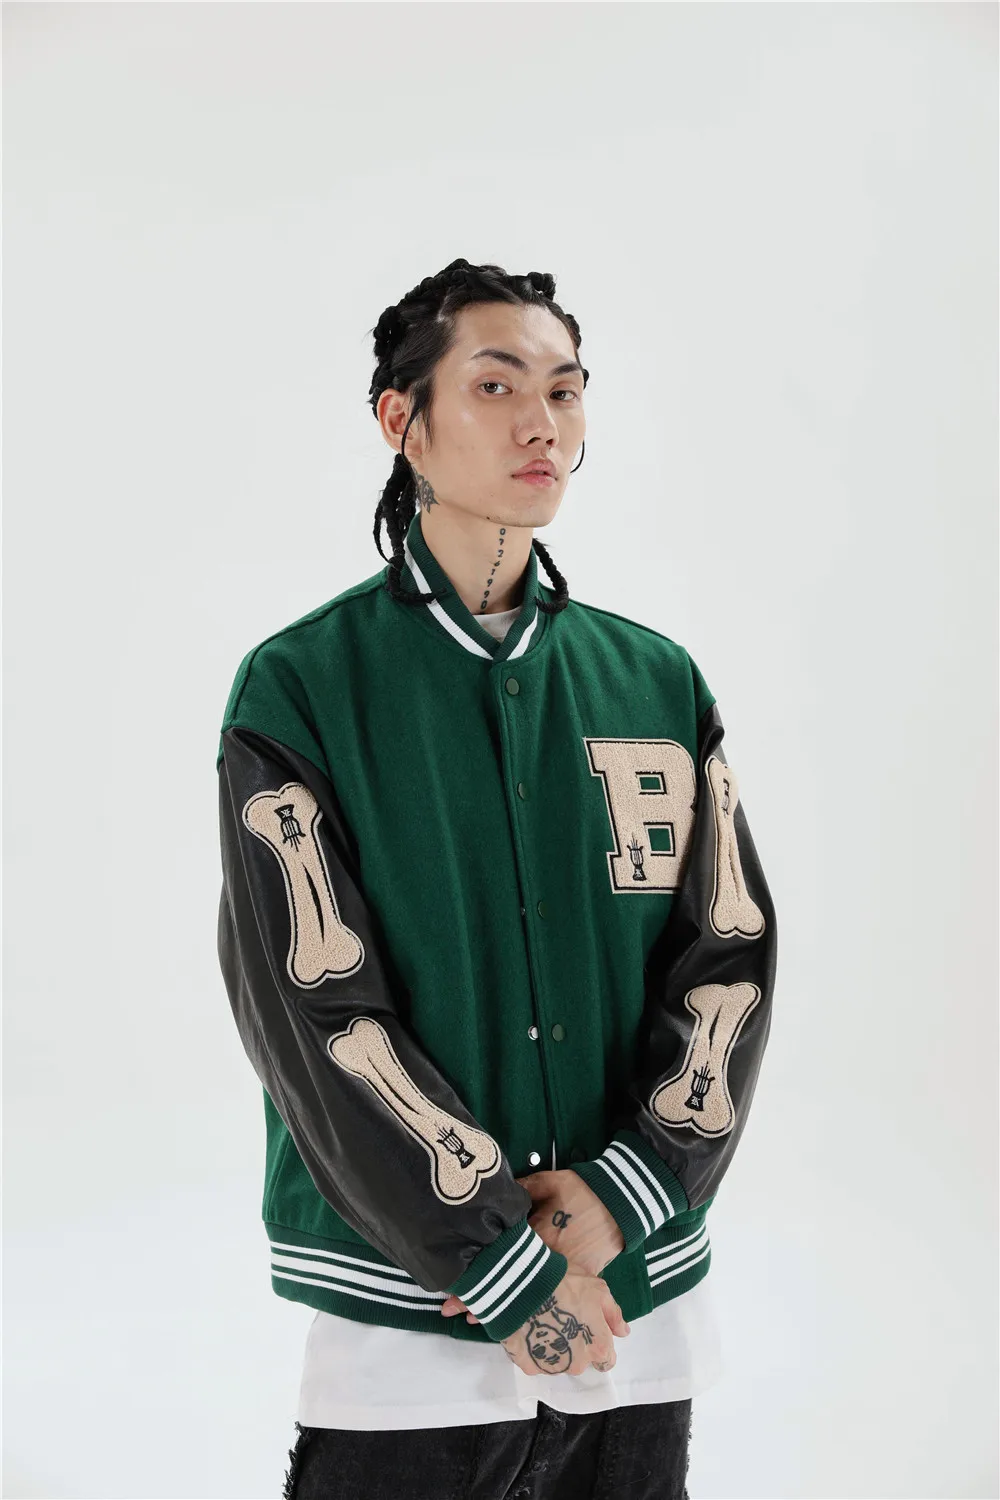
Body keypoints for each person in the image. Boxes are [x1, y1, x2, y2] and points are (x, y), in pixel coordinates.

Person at [215, 257, 778, 1500]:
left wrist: (624, 1195)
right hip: (407, 1337)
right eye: (494, 385)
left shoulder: (657, 682)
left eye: (565, 391)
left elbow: (725, 963)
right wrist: (503, 1265)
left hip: (635, 1320)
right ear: (399, 419)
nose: (542, 423)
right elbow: (311, 1009)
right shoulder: (302, 686)